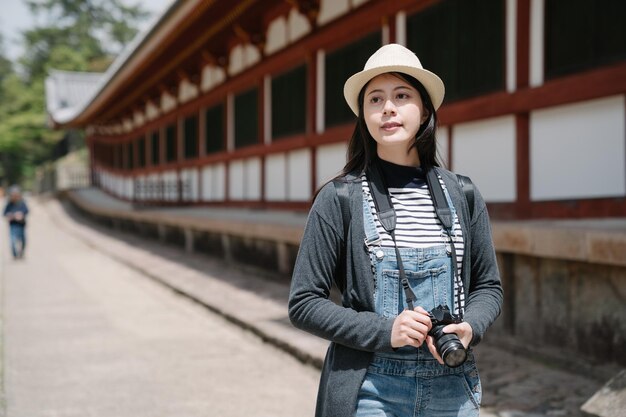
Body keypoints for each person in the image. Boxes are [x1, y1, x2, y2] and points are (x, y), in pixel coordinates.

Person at [288, 43, 503, 417]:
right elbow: (304, 303)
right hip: (370, 389)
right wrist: (386, 331)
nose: (387, 107)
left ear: (424, 111)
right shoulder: (339, 198)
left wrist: (470, 327)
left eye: (401, 95)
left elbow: (488, 287)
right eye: (375, 99)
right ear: (365, 117)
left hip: (452, 387)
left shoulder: (463, 194)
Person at [4, 185, 29, 259]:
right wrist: (9, 215)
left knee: (23, 241)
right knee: (12, 241)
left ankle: (21, 253)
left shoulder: (22, 203)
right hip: (13, 225)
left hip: (21, 225)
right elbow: (4, 213)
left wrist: (21, 214)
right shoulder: (9, 204)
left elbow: (26, 210)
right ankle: (15, 255)